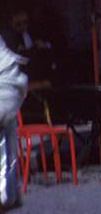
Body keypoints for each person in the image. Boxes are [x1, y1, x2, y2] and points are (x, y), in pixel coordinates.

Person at [0, 35, 27, 208]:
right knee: (8, 142)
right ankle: (11, 193)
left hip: (5, 89)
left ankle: (6, 195)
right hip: (12, 86)